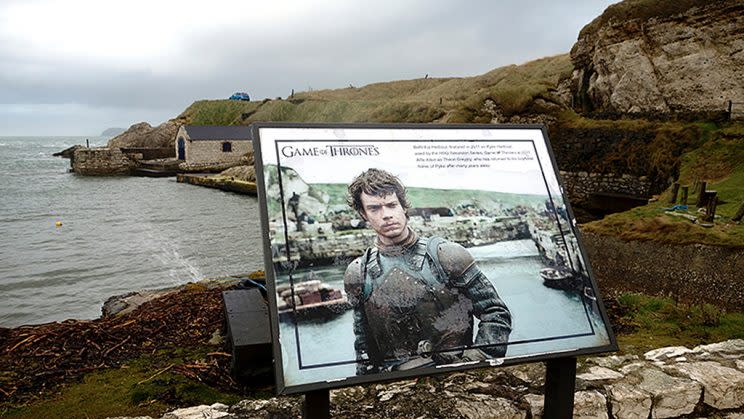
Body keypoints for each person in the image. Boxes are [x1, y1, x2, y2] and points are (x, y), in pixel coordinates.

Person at [343, 168, 512, 375]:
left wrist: (474, 363)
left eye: (391, 205)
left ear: (403, 206)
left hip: (455, 375)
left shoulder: (446, 256)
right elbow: (364, 346)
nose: (386, 215)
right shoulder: (358, 273)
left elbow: (495, 313)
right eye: (375, 208)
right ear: (364, 214)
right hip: (395, 383)